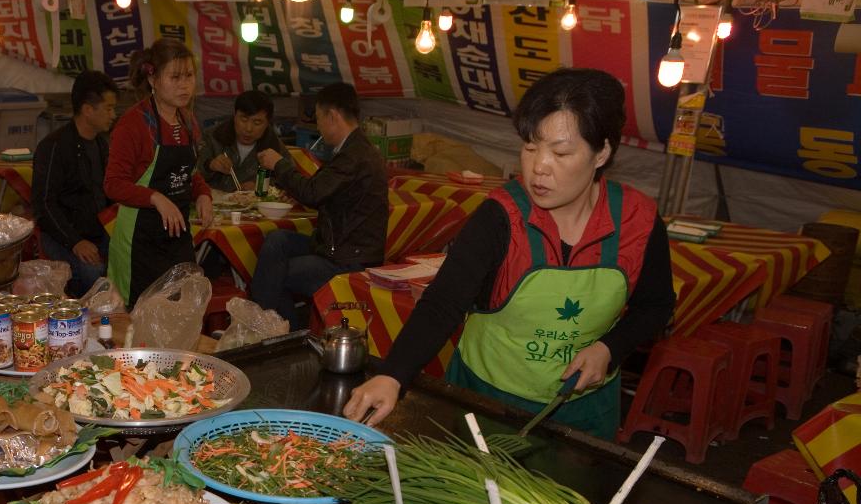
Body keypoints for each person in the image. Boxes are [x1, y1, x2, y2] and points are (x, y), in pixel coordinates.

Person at [343, 68, 677, 441]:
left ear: (601, 153)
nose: (539, 167)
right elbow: (443, 303)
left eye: (561, 152)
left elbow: (657, 306)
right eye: (530, 147)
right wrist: (393, 374)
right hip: (485, 403)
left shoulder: (639, 221)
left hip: (584, 413)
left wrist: (609, 349)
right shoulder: (501, 216)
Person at [250, 83, 387, 328]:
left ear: (332, 116)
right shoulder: (355, 148)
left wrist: (279, 164)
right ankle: (273, 327)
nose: (319, 127)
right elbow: (322, 189)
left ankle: (279, 334)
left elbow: (313, 193)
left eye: (319, 118)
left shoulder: (354, 155)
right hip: (337, 246)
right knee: (277, 240)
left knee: (272, 276)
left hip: (349, 258)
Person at [105, 38, 213, 304]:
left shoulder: (187, 120)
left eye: (189, 75)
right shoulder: (133, 124)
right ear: (153, 79)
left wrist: (203, 193)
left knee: (183, 311)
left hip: (177, 238)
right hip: (139, 242)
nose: (185, 84)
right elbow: (113, 184)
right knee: (139, 321)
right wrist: (156, 197)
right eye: (175, 77)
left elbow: (190, 172)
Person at [32, 71, 118, 296]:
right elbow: (44, 206)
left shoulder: (101, 144)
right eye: (108, 108)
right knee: (95, 273)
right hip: (62, 235)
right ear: (88, 110)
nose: (113, 115)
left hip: (98, 232)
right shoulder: (54, 146)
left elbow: (108, 194)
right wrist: (75, 241)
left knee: (136, 260)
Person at [197, 90, 288, 191]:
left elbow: (290, 180)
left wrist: (261, 185)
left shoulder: (274, 145)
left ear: (268, 123)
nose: (248, 129)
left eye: (257, 122)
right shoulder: (213, 136)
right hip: (212, 202)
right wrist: (210, 165)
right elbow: (190, 174)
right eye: (244, 119)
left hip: (254, 205)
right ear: (234, 115)